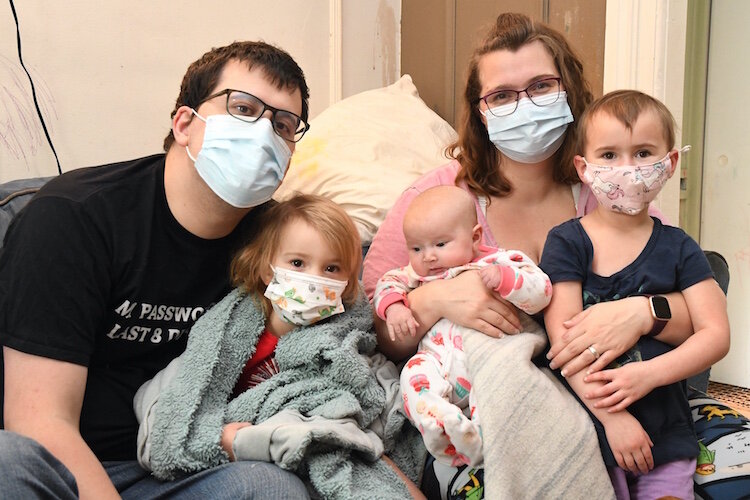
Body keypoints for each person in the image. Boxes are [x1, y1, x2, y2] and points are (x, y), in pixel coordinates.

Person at [362, 12, 698, 497]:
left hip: (610, 383)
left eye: (542, 86)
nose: (524, 106)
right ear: (480, 111)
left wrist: (641, 311)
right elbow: (379, 336)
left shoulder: (610, 189)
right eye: (501, 96)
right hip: (486, 394)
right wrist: (434, 302)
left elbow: (698, 308)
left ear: (571, 93)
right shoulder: (435, 199)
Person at [0, 41, 313, 499]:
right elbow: (39, 419)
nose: (264, 133)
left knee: (271, 488)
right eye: (243, 108)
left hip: (179, 468)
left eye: (283, 125)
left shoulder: (279, 243)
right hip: (62, 466)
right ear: (185, 123)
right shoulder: (73, 217)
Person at [134, 194, 425, 499]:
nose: (313, 278)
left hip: (314, 445)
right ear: (267, 270)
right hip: (245, 459)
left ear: (349, 284)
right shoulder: (228, 330)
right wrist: (220, 437)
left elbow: (361, 405)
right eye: (297, 263)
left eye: (332, 269)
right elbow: (185, 390)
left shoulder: (344, 344)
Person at [540, 90, 730, 499]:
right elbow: (564, 345)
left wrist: (648, 375)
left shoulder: (680, 248)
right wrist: (613, 419)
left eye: (643, 152)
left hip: (668, 435)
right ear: (584, 167)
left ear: (671, 162)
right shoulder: (566, 242)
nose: (627, 168)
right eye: (609, 155)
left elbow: (715, 334)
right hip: (588, 435)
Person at [373, 185, 551, 467]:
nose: (428, 256)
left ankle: (481, 438)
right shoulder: (415, 276)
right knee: (412, 374)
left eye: (440, 244)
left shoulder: (499, 261)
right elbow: (387, 282)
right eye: (416, 248)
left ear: (475, 237)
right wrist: (394, 306)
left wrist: (505, 280)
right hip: (435, 359)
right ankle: (439, 422)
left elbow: (541, 292)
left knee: (497, 388)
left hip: (492, 356)